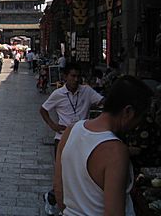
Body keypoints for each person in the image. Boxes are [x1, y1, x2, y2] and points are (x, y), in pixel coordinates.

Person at [54, 75, 153, 215]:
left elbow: (59, 190)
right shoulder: (116, 151)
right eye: (140, 117)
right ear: (128, 112)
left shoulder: (71, 131)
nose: (138, 124)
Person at [39, 62, 104, 215]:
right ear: (65, 77)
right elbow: (43, 109)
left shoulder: (87, 91)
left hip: (82, 139)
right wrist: (53, 125)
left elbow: (102, 102)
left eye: (78, 76)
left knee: (79, 174)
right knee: (63, 174)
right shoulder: (58, 94)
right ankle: (55, 199)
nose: (76, 79)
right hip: (62, 138)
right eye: (73, 76)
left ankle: (60, 200)